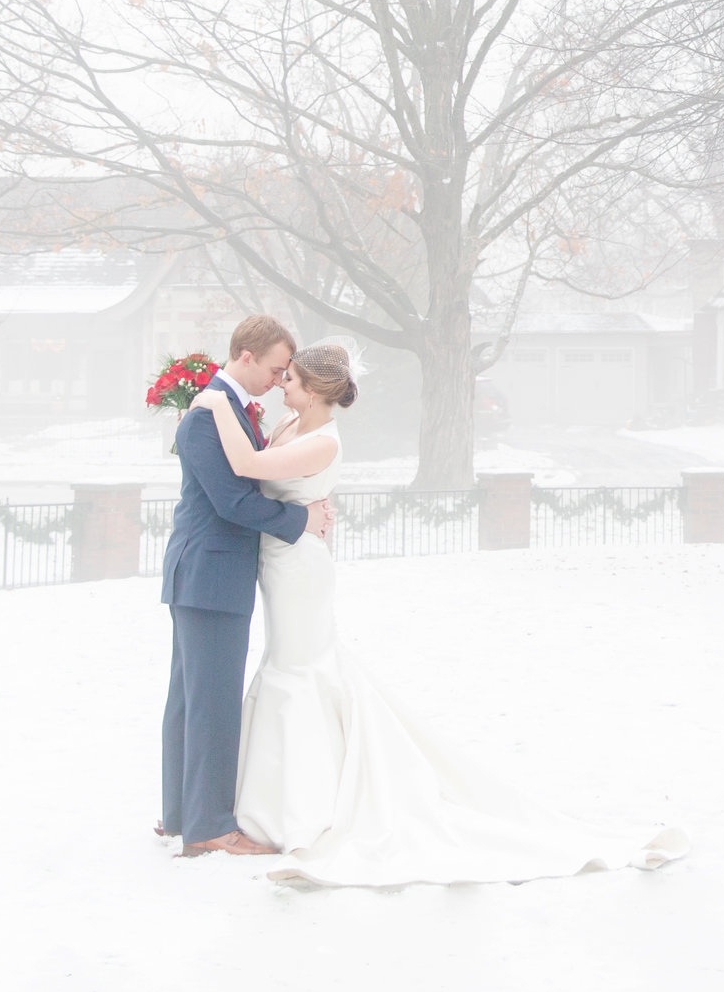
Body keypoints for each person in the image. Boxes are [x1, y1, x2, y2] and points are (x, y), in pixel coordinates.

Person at [192, 340, 688, 887]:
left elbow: (250, 465)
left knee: (302, 669)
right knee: (290, 665)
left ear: (314, 391)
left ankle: (300, 808)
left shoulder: (323, 442)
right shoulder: (292, 425)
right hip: (281, 560)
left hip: (301, 572)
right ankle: (279, 798)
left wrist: (215, 402)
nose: (282, 383)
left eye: (291, 379)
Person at [157, 315, 334, 857]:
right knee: (210, 701)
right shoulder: (211, 414)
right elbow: (232, 501)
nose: (279, 381)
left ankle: (181, 815)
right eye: (277, 369)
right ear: (246, 355)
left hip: (206, 572)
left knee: (191, 699)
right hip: (211, 573)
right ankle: (209, 828)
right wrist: (298, 521)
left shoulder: (226, 409)